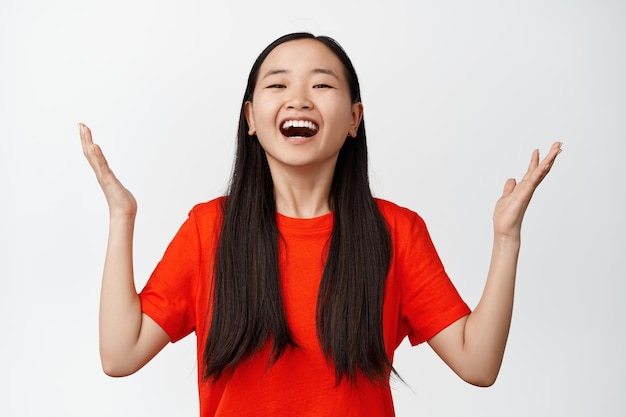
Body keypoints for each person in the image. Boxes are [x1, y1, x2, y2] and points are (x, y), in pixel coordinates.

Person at [79, 32, 561, 417]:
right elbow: (120, 355)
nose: (299, 99)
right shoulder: (210, 229)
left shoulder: (397, 231)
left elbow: (477, 364)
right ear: (251, 117)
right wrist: (122, 218)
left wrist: (506, 238)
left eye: (322, 84)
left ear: (354, 119)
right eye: (277, 84)